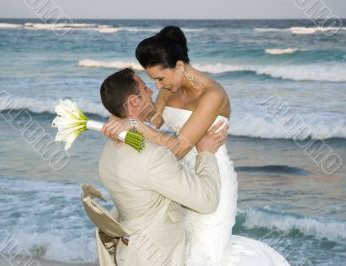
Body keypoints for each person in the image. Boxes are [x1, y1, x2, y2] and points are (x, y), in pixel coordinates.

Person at [102, 26, 290, 266]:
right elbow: (148, 119)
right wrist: (118, 120)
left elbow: (179, 148)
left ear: (179, 66)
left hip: (213, 179)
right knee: (186, 252)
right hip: (180, 182)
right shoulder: (171, 88)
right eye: (152, 81)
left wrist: (133, 127)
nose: (157, 86)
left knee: (208, 254)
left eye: (160, 78)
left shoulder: (212, 94)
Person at [98, 68, 228, 266]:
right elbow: (207, 201)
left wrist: (133, 123)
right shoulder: (153, 157)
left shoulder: (108, 150)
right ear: (134, 102)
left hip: (130, 252)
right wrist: (206, 153)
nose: (151, 91)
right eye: (145, 88)